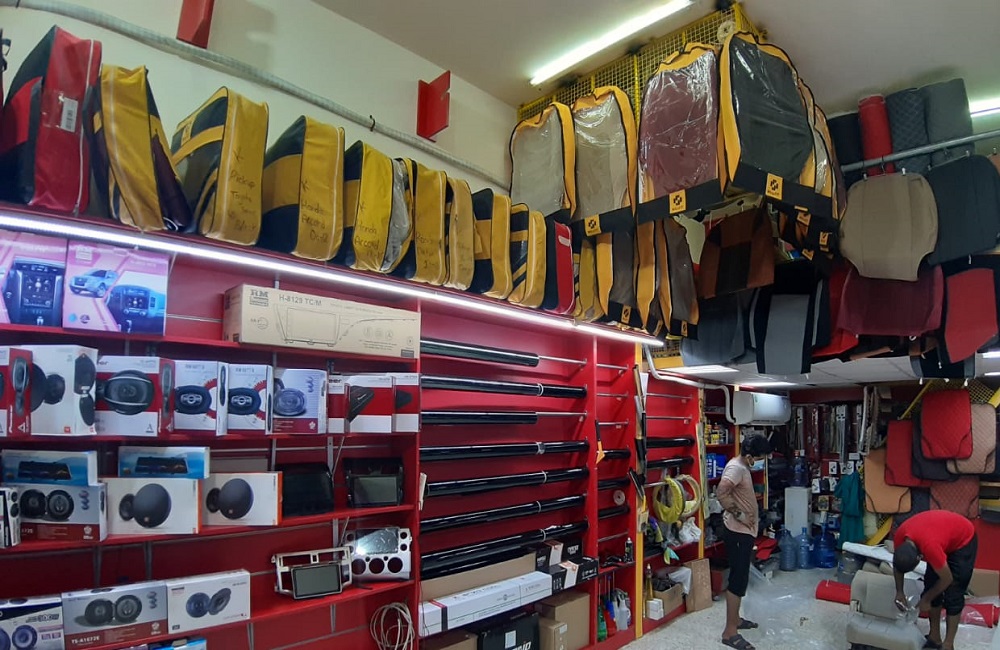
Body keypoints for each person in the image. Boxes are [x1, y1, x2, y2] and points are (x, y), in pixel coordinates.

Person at [892, 510, 978, 650]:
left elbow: (947, 579)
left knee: (953, 594)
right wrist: (899, 592)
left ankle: (948, 645)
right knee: (931, 585)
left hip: (963, 540)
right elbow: (897, 566)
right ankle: (934, 638)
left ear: (920, 558)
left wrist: (926, 599)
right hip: (939, 534)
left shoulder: (930, 547)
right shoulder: (900, 537)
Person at [716, 433, 770, 650]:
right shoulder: (736, 468)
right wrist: (739, 514)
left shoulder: (742, 466)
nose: (760, 461)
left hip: (744, 532)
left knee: (741, 578)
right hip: (737, 532)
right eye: (759, 458)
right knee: (737, 581)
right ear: (749, 456)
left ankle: (736, 619)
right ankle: (730, 632)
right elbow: (721, 492)